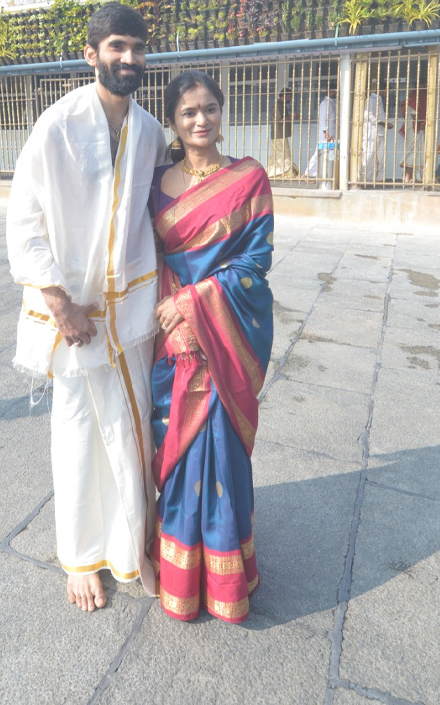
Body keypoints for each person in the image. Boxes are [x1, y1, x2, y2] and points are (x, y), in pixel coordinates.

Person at [6, 3, 166, 612]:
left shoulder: (150, 130)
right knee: (78, 434)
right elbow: (25, 221)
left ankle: (131, 548)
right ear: (91, 53)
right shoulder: (58, 125)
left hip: (132, 315)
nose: (129, 58)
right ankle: (78, 557)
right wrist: (59, 303)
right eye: (118, 46)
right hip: (75, 317)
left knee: (131, 432)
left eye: (138, 47)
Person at [148, 70, 274, 623]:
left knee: (221, 452)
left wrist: (194, 302)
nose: (201, 120)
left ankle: (225, 580)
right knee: (177, 454)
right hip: (173, 339)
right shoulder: (155, 183)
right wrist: (169, 312)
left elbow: (255, 263)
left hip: (221, 333)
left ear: (223, 113)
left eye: (210, 109)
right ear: (173, 122)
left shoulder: (248, 178)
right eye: (188, 113)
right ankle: (179, 575)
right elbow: (144, 258)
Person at [304, 85, 337, 178]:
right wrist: (326, 134)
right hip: (326, 134)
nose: (337, 92)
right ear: (330, 91)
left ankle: (327, 175)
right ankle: (307, 174)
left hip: (332, 134)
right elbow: (323, 120)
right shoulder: (325, 104)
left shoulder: (332, 103)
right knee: (319, 153)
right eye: (335, 90)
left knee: (329, 154)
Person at [267, 85, 299, 179]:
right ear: (283, 95)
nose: (290, 99)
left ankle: (279, 172)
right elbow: (279, 120)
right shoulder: (277, 105)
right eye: (289, 97)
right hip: (278, 134)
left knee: (281, 154)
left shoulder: (282, 105)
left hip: (281, 134)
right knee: (282, 155)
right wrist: (291, 116)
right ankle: (283, 173)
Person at [399, 83, 427, 183]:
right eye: (424, 86)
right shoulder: (413, 100)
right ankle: (407, 177)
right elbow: (416, 116)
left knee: (416, 152)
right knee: (411, 152)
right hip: (413, 128)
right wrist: (423, 123)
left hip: (414, 128)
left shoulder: (413, 98)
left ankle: (413, 177)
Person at [362, 80, 389, 183]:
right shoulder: (372, 99)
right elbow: (367, 114)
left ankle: (378, 178)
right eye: (387, 91)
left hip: (380, 131)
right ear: (381, 90)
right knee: (369, 155)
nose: (387, 93)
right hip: (372, 132)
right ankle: (366, 178)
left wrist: (384, 123)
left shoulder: (380, 99)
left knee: (381, 156)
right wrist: (379, 122)